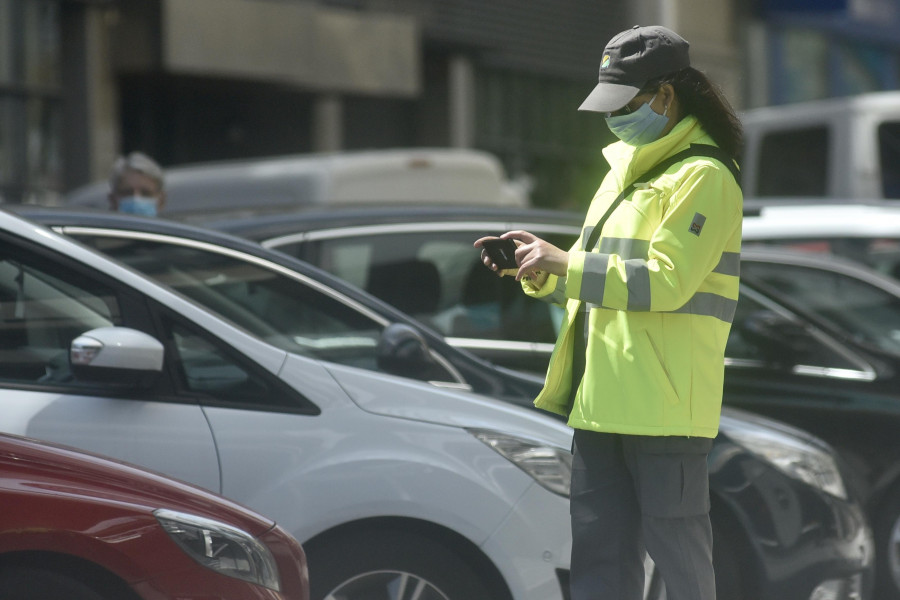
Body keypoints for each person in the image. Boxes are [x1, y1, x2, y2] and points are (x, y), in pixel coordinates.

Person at [475, 25, 743, 600]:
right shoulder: (622, 169)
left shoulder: (705, 176)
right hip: (601, 401)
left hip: (665, 407)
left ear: (666, 96)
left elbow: (666, 283)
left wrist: (567, 264)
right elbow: (599, 283)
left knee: (681, 564)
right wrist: (545, 272)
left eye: (625, 103)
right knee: (600, 561)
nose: (614, 117)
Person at [107, 151, 166, 217]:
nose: (136, 199)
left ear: (161, 201)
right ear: (112, 199)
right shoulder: (99, 227)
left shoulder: (172, 227)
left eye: (145, 193)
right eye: (128, 193)